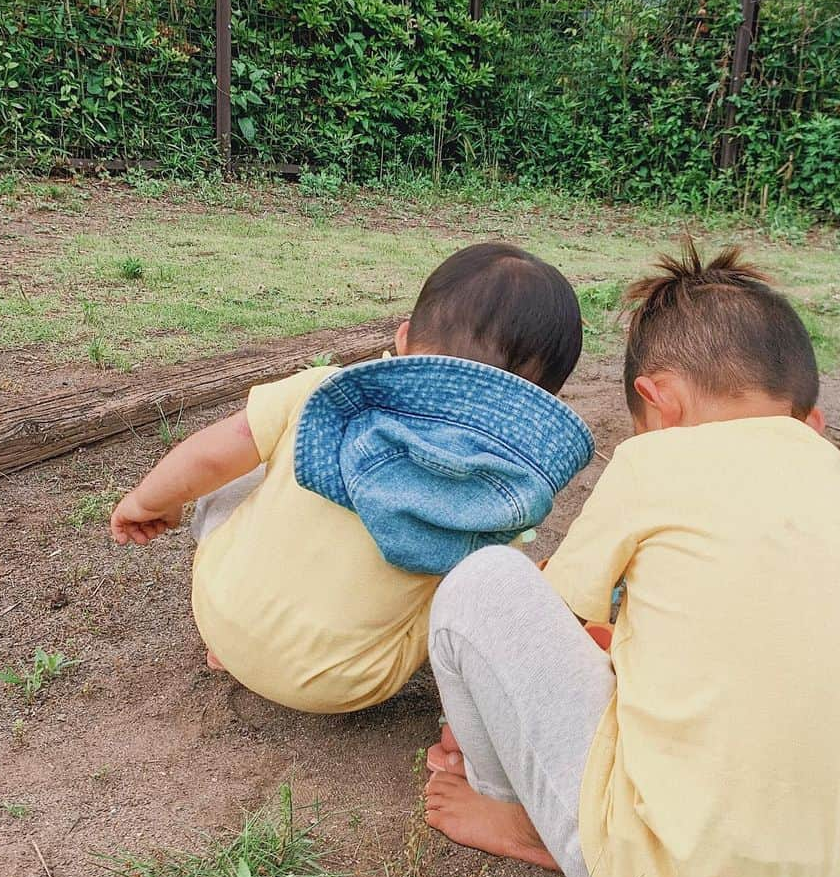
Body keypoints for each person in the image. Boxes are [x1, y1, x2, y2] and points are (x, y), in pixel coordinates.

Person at [423, 240, 840, 877]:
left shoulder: (655, 460)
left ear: (656, 403)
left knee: (485, 584)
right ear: (809, 423)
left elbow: (553, 619)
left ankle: (511, 804)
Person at [110, 243, 594, 714]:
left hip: (220, 612)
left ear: (404, 338)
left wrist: (144, 502)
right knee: (476, 573)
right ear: (539, 403)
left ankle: (239, 650)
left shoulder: (322, 392)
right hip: (348, 679)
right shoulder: (506, 493)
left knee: (246, 458)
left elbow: (209, 457)